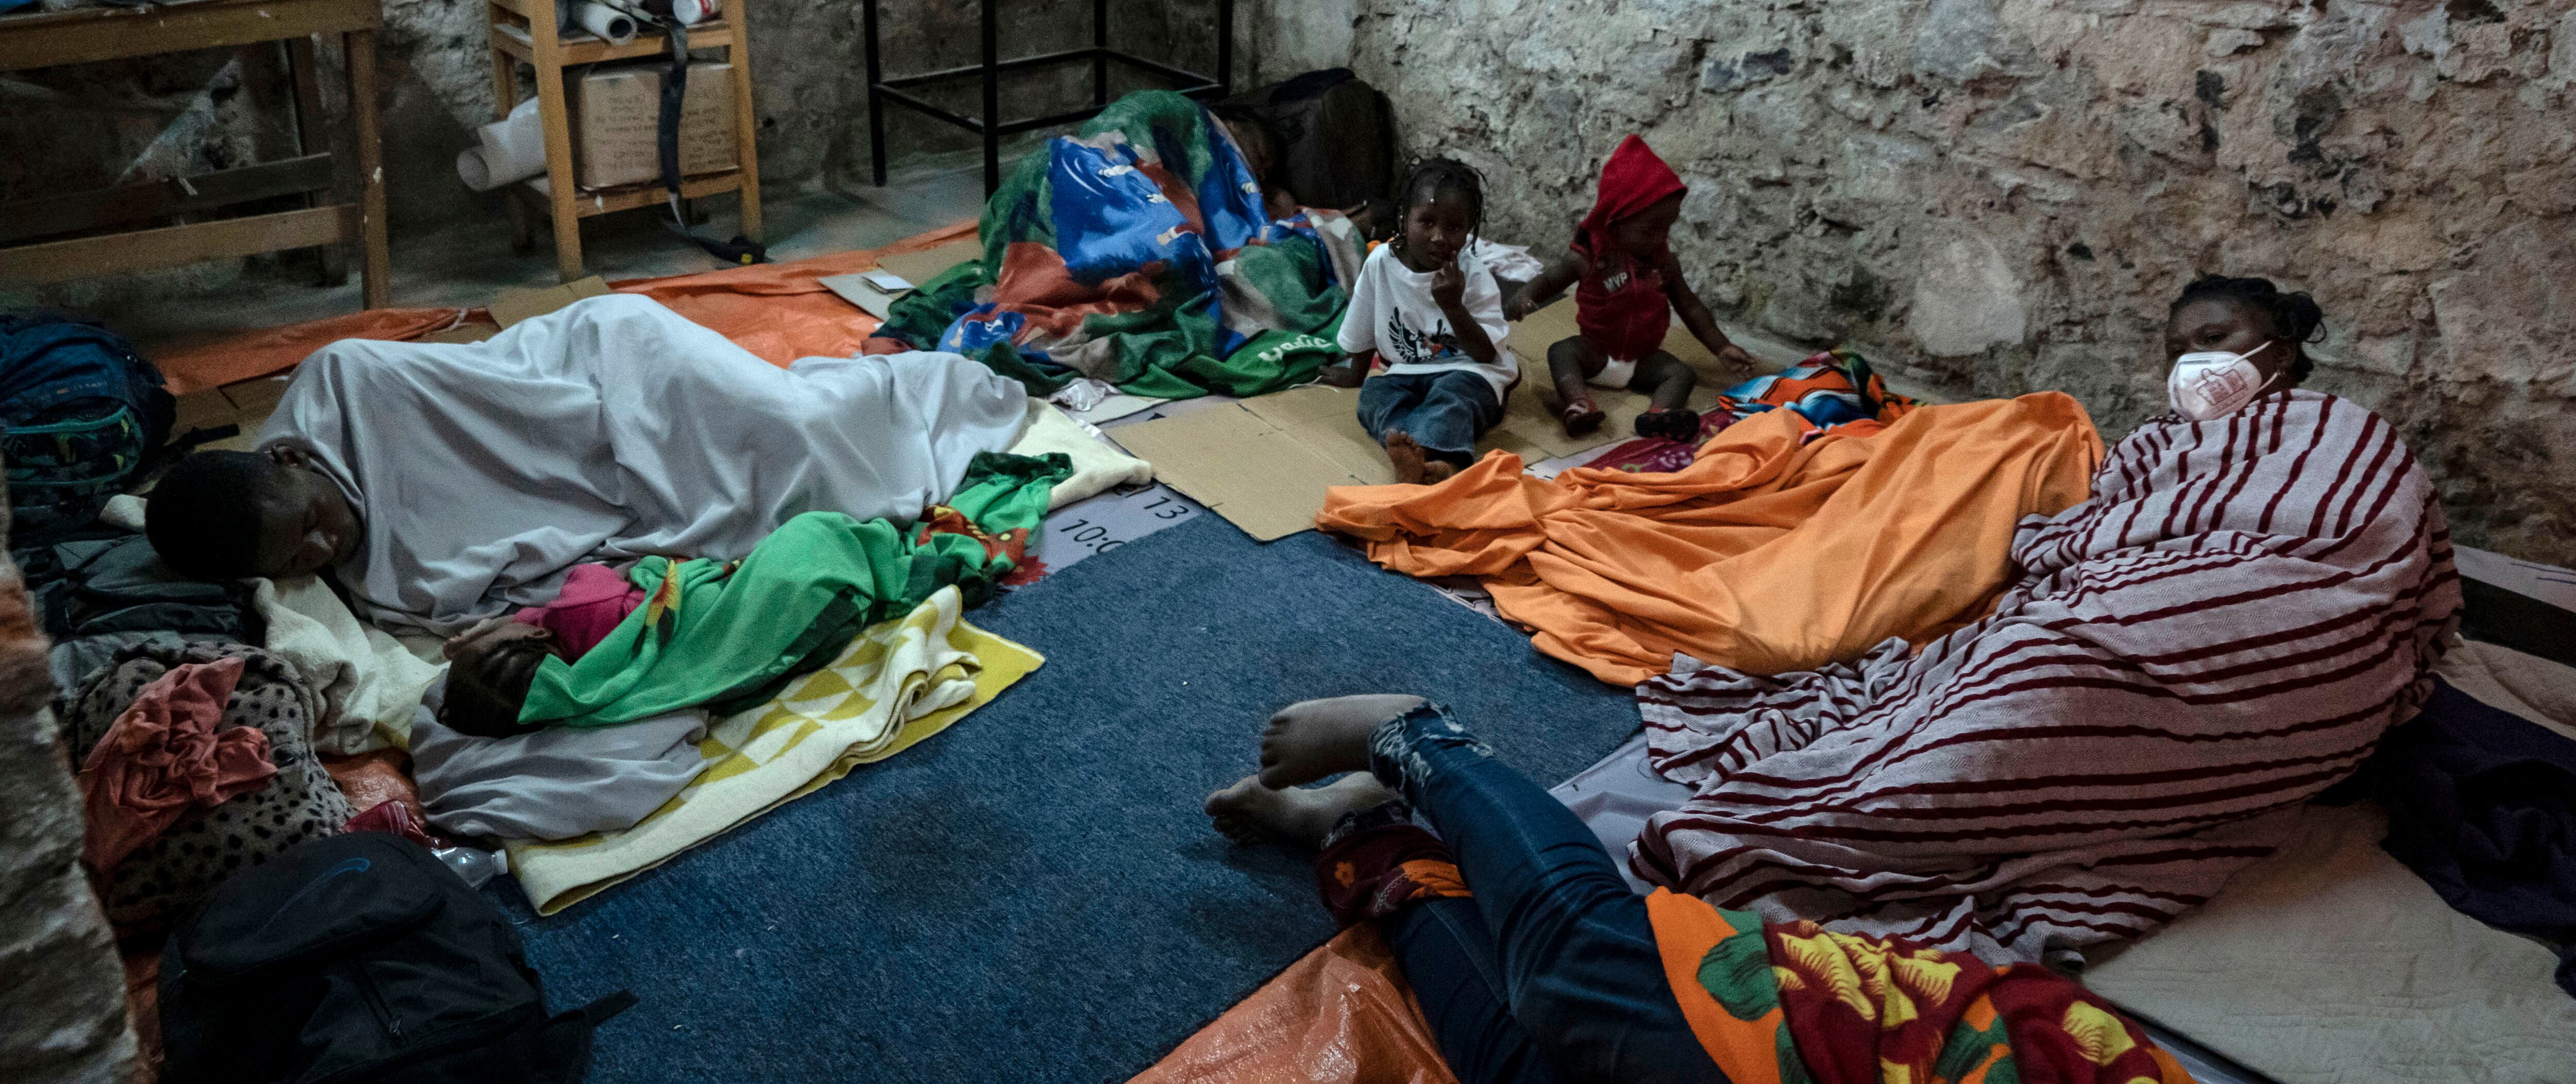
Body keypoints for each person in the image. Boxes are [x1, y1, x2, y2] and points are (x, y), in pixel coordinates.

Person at [1629, 274, 2461, 964]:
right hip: (2141, 600)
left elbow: (2373, 531)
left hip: (2300, 630)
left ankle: (1818, 824)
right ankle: (1888, 798)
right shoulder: (2151, 445)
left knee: (2052, 657)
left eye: (2216, 339)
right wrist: (2080, 552)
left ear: (2278, 352)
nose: (2192, 363)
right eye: (2178, 349)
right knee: (2032, 656)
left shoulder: (2347, 431)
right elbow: (2096, 531)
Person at [1207, 693, 2192, 1084]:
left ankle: (1362, 829)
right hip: (1935, 1059)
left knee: (1526, 1063)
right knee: (1574, 964)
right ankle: (1417, 734)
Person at [144, 294, 1030, 632]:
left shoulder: (354, 376)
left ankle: (939, 386)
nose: (316, 551)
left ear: (291, 454)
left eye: (305, 523)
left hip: (610, 375)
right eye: (290, 561)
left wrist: (615, 463)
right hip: (609, 486)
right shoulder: (371, 583)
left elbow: (523, 406)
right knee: (783, 506)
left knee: (795, 421)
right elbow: (508, 569)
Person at [433, 509, 1003, 737]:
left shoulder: (591, 684)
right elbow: (596, 579)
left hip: (801, 629)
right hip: (798, 593)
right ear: (532, 633)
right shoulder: (573, 612)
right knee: (809, 533)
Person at [1503, 136, 1758, 440]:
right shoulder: (1588, 257)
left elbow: (1689, 305)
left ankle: (1659, 415)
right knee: (1560, 352)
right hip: (1595, 352)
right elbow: (1550, 280)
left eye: (1666, 229)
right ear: (1616, 221)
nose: (1659, 238)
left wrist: (1721, 347)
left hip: (1643, 359)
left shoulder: (1663, 262)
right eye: (1651, 230)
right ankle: (1578, 405)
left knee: (1681, 374)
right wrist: (1524, 296)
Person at [1316, 157, 1516, 484]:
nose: (1439, 237)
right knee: (1374, 396)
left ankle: (1427, 455)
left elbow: (1486, 354)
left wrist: (1453, 306)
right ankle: (1427, 458)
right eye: (1427, 222)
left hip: (1469, 370)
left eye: (1453, 227)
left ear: (1469, 229)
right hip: (1404, 372)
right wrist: (1355, 374)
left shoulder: (1473, 275)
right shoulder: (1381, 262)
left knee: (1454, 398)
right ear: (1404, 219)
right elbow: (1364, 321)